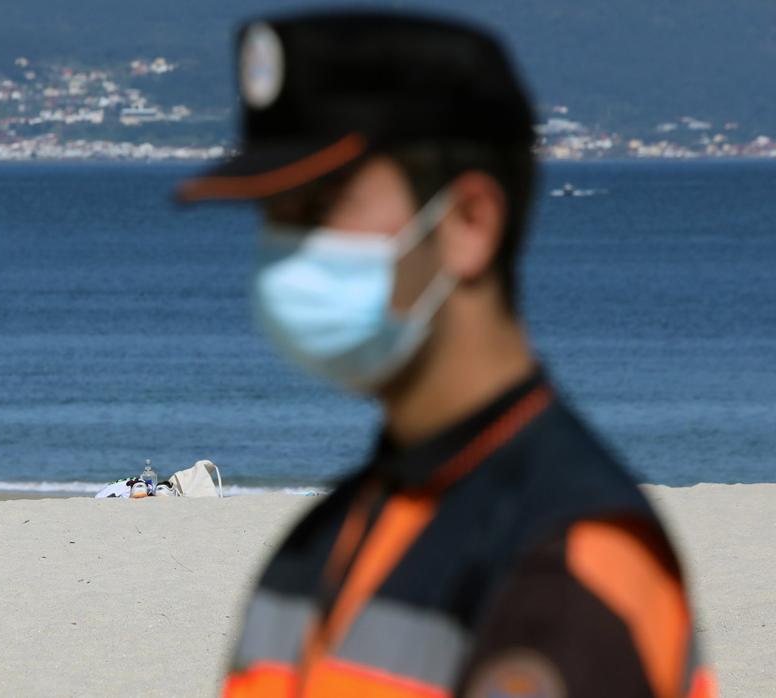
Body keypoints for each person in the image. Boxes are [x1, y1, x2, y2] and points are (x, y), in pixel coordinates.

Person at [176, 12, 717, 697]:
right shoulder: (319, 543)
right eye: (274, 220)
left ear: (468, 224)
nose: (284, 258)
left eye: (320, 210)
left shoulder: (568, 563)